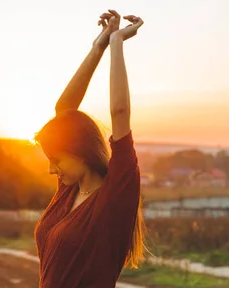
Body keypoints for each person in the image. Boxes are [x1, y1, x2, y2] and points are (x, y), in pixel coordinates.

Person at [34, 9, 146, 288]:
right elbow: (64, 110)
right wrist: (99, 45)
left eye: (56, 159)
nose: (51, 170)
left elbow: (119, 112)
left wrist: (117, 42)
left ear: (79, 151)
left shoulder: (116, 194)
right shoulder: (70, 189)